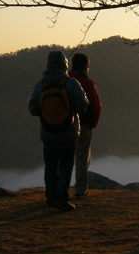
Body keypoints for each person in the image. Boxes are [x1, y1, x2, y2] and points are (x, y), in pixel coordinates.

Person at [29, 50, 89, 211]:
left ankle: (50, 198)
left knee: (50, 167)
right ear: (65, 64)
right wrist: (70, 111)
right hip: (67, 132)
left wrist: (47, 112)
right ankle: (61, 199)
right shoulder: (71, 83)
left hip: (47, 132)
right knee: (65, 166)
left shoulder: (40, 85)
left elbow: (32, 108)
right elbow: (83, 105)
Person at [68, 52, 102, 197]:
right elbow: (96, 106)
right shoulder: (87, 83)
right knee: (81, 159)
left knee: (64, 158)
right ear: (86, 67)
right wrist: (92, 123)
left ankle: (59, 190)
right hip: (84, 125)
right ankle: (80, 191)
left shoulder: (64, 80)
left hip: (62, 125)